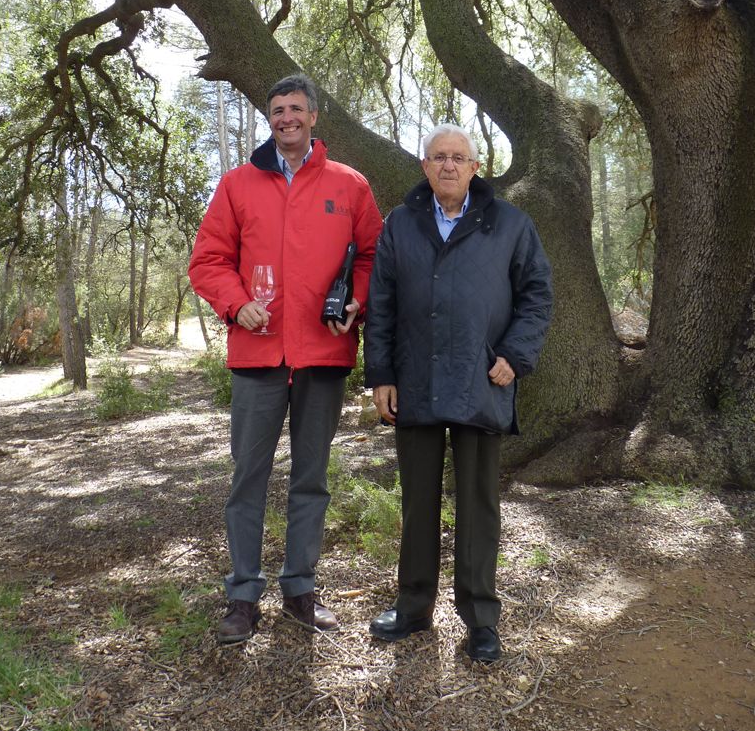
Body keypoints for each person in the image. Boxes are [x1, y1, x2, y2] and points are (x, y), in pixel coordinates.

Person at [188, 73, 383, 645]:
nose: (286, 117)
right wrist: (237, 303)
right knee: (247, 479)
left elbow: (374, 257)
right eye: (277, 109)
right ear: (269, 118)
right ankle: (242, 597)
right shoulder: (237, 185)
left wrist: (358, 300)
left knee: (310, 480)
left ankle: (300, 589)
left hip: (323, 355)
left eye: (296, 108)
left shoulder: (350, 186)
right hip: (258, 356)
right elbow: (207, 261)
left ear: (315, 116)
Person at [363, 124, 553, 663]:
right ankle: (413, 608)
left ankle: (481, 620)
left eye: (459, 157)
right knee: (417, 502)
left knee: (478, 506)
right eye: (438, 157)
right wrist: (381, 374)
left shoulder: (510, 224)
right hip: (416, 381)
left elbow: (538, 294)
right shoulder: (401, 224)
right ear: (424, 167)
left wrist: (515, 356)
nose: (448, 165)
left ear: (475, 168)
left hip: (481, 379)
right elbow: (381, 304)